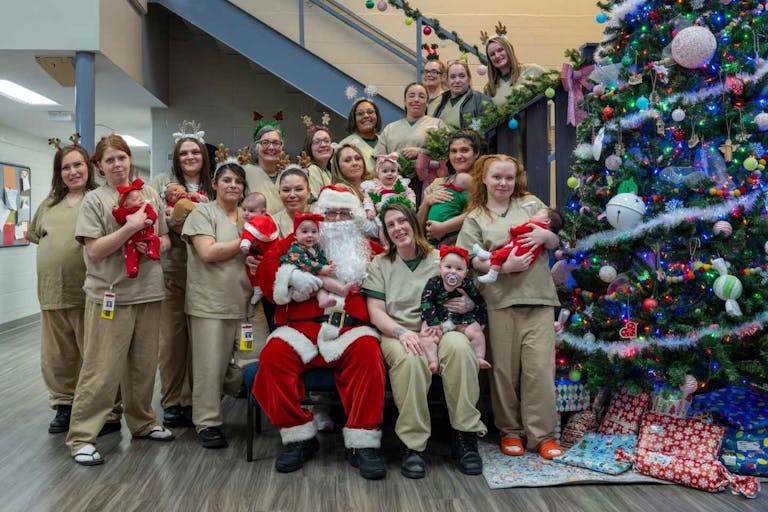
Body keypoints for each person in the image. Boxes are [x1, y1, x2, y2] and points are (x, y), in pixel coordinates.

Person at [252, 184, 387, 480]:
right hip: (300, 329)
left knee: (368, 355)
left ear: (354, 218)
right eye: (330, 213)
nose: (337, 220)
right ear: (318, 215)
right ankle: (299, 438)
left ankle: (363, 442)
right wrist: (293, 277)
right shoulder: (297, 242)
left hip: (351, 329)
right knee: (273, 357)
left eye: (344, 213)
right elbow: (266, 272)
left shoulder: (369, 249)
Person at [67, 134, 173, 466]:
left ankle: (143, 422)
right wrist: (130, 229)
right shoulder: (95, 201)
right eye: (110, 160)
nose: (118, 165)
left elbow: (168, 238)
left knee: (143, 365)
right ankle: (82, 436)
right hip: (109, 295)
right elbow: (95, 249)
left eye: (122, 157)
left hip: (148, 292)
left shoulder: (150, 194)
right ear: (99, 167)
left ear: (130, 160)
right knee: (101, 368)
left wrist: (152, 244)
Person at [363, 202, 487, 479]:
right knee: (410, 360)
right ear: (385, 232)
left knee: (460, 349)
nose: (397, 228)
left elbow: (466, 291)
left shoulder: (438, 259)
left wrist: (467, 305)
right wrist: (402, 333)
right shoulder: (381, 264)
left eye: (402, 221)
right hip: (399, 331)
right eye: (390, 225)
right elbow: (376, 311)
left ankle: (465, 436)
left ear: (414, 223)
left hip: (440, 328)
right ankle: (413, 445)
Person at [456, 154, 563, 460]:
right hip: (500, 303)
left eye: (509, 177)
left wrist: (548, 236)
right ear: (485, 180)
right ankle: (510, 431)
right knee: (503, 371)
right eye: (497, 177)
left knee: (539, 370)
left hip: (538, 299)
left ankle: (542, 435)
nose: (504, 183)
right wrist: (504, 267)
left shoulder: (530, 205)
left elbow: (555, 238)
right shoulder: (475, 217)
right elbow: (468, 261)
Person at [27, 141, 97, 434]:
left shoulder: (97, 199)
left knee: (92, 354)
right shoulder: (49, 204)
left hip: (88, 292)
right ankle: (64, 405)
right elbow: (36, 236)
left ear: (88, 168)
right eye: (66, 167)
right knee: (57, 356)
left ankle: (96, 409)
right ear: (59, 173)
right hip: (52, 292)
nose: (73, 171)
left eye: (78, 165)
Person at [183, 157, 252, 449]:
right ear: (214, 184)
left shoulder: (248, 217)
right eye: (227, 180)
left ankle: (231, 405)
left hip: (244, 302)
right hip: (210, 303)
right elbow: (208, 252)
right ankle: (207, 422)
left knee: (243, 364)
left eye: (238, 181)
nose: (233, 185)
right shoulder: (202, 214)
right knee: (209, 367)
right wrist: (246, 241)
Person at [150, 130, 213, 428]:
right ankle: (172, 401)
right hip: (173, 272)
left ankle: (195, 401)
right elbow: (153, 217)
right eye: (184, 153)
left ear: (204, 156)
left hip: (208, 274)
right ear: (176, 159)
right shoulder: (162, 184)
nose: (190, 157)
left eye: (195, 152)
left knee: (202, 342)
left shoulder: (214, 186)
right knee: (172, 341)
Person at [420, 245, 489, 373]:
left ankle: (478, 357)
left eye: (459, 269)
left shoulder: (467, 284)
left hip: (461, 319)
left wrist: (481, 321)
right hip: (438, 319)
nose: (453, 272)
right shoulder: (434, 283)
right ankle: (433, 361)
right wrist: (433, 322)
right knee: (427, 337)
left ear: (465, 272)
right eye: (448, 267)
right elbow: (426, 302)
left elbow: (479, 301)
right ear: (440, 268)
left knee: (477, 333)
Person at [374, 82, 446, 200]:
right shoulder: (390, 129)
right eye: (411, 96)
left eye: (421, 96)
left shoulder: (437, 124)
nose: (416, 100)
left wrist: (422, 152)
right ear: (404, 101)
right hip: (395, 185)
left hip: (429, 184)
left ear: (427, 102)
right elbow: (379, 159)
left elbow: (447, 154)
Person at [418, 129, 485, 246]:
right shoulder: (437, 184)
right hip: (435, 250)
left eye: (464, 150)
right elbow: (417, 229)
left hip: (470, 248)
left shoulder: (485, 183)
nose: (458, 156)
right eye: (453, 151)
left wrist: (444, 228)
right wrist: (426, 203)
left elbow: (483, 213)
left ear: (476, 153)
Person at [280, 212, 355, 308]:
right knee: (321, 279)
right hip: (298, 288)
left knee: (322, 282)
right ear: (295, 235)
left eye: (314, 232)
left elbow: (321, 259)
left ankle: (323, 300)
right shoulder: (296, 248)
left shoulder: (315, 248)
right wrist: (321, 268)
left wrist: (328, 265)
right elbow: (303, 262)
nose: (310, 235)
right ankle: (341, 290)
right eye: (305, 232)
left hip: (312, 285)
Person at [473, 207, 563, 284]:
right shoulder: (475, 215)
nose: (533, 216)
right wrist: (507, 267)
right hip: (523, 256)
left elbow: (518, 230)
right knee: (502, 252)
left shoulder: (534, 225)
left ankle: (493, 274)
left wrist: (511, 230)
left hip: (519, 252)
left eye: (536, 214)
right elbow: (473, 260)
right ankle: (487, 255)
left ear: (546, 221)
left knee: (500, 255)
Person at [111, 180, 161, 278]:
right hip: (132, 239)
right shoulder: (125, 211)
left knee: (155, 240)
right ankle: (132, 269)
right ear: (125, 205)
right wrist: (115, 211)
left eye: (141, 197)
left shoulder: (146, 207)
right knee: (130, 252)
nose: (141, 200)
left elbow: (152, 214)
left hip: (147, 235)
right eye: (135, 199)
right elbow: (120, 218)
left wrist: (150, 219)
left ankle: (153, 252)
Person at [330, 144, 378, 240]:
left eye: (357, 158)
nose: (354, 163)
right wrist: (389, 228)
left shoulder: (375, 182)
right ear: (338, 166)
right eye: (347, 160)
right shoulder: (340, 191)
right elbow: (364, 227)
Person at [484, 35, 545, 106]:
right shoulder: (489, 89)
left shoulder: (534, 70)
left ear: (508, 50)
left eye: (500, 50)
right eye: (492, 54)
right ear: (490, 60)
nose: (497, 56)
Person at [433, 60, 492, 129]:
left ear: (469, 78)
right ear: (447, 80)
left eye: (462, 76)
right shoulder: (442, 102)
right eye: (452, 77)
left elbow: (487, 132)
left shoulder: (481, 101)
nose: (457, 81)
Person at [361, 153, 417, 219]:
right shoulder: (375, 187)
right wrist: (370, 210)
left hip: (402, 213)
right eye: (385, 171)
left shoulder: (400, 184)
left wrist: (411, 203)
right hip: (383, 216)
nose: (389, 173)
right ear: (378, 174)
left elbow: (410, 193)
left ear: (397, 172)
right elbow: (368, 200)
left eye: (393, 171)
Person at [245, 124, 285, 214]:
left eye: (276, 143)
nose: (271, 147)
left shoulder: (288, 174)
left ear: (282, 147)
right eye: (265, 142)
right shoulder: (245, 172)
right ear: (256, 147)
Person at [339, 99, 381, 174]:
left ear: (377, 116)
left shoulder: (385, 141)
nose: (366, 116)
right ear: (354, 119)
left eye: (370, 112)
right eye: (360, 114)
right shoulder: (344, 145)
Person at [272, 165, 311, 237]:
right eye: (286, 190)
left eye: (299, 189)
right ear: (279, 193)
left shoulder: (321, 218)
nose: (292, 195)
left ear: (309, 192)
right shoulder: (271, 222)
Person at [303, 126, 334, 199]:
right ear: (309, 148)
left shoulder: (328, 171)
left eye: (326, 141)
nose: (323, 145)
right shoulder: (312, 170)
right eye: (317, 142)